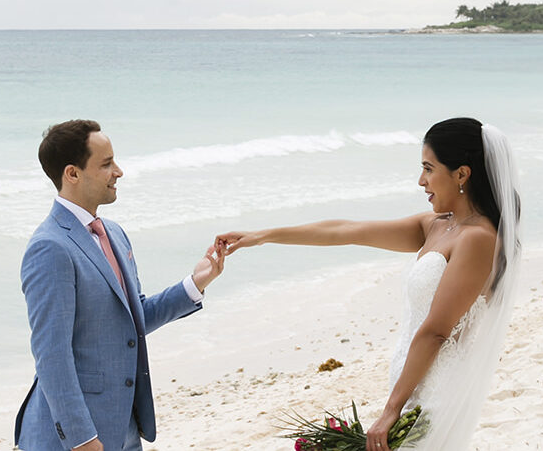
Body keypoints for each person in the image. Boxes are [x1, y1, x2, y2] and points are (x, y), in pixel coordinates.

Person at [216, 117, 521, 450]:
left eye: (429, 168)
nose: (421, 181)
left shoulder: (478, 239)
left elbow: (436, 330)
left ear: (462, 174)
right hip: (410, 384)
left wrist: (390, 410)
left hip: (436, 394)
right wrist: (263, 236)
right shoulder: (436, 226)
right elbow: (346, 230)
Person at [15, 119, 225, 451]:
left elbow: (131, 318)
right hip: (74, 439)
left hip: (124, 427)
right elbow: (51, 354)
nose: (119, 171)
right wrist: (83, 440)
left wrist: (195, 283)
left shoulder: (113, 233)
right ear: (72, 174)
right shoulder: (50, 248)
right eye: (106, 163)